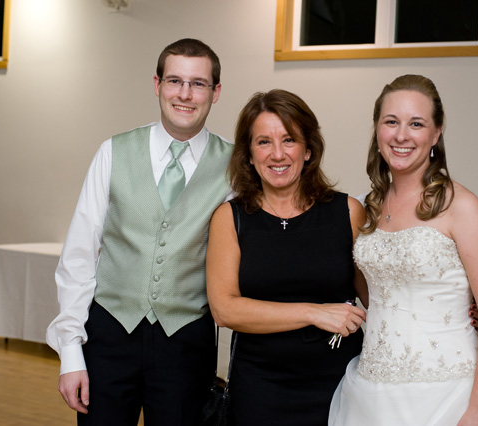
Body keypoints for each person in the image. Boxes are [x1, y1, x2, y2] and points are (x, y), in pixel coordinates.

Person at [328, 75, 478, 426]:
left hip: (447, 392)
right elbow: (373, 294)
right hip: (370, 390)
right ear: (377, 129)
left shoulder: (462, 207)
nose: (401, 135)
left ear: (436, 133)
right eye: (391, 122)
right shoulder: (368, 206)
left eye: (416, 124)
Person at [45, 38, 232, 425]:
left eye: (198, 83)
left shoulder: (236, 167)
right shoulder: (112, 151)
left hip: (187, 342)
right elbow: (79, 255)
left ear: (215, 92)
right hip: (108, 337)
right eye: (174, 81)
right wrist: (70, 352)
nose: (185, 94)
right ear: (157, 84)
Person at [205, 89, 368, 426]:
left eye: (289, 140)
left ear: (308, 150)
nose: (277, 154)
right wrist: (314, 313)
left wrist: (458, 309)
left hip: (339, 386)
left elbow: (380, 299)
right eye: (264, 142)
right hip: (259, 390)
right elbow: (224, 310)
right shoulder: (230, 218)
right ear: (249, 154)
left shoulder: (348, 212)